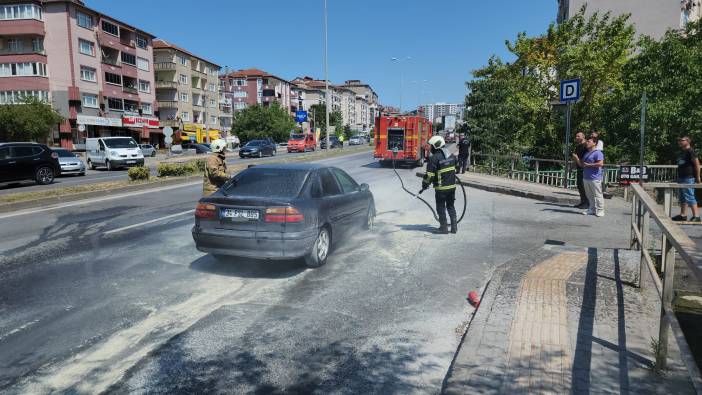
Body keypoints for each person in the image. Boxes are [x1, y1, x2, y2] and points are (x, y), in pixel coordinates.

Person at [421, 135, 458, 234]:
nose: (431, 148)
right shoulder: (451, 155)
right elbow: (456, 165)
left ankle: (444, 228)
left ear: (436, 146)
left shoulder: (434, 159)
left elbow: (429, 176)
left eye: (431, 146)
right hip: (452, 187)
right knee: (451, 206)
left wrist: (424, 185)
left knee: (440, 207)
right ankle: (454, 228)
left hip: (441, 189)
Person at [573, 137, 605, 217]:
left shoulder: (598, 153)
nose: (587, 143)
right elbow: (582, 165)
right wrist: (577, 159)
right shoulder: (587, 153)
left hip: (595, 178)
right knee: (589, 195)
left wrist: (589, 165)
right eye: (587, 141)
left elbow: (600, 164)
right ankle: (592, 209)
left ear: (594, 143)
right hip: (586, 177)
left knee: (598, 195)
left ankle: (600, 210)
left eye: (589, 141)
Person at [673, 136, 701, 222]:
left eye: (682, 140)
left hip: (689, 177)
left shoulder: (691, 151)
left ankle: (696, 216)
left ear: (688, 141)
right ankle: (683, 215)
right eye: (680, 140)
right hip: (681, 177)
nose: (680, 142)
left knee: (689, 195)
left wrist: (698, 177)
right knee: (682, 197)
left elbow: (697, 164)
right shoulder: (683, 152)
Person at [571, 132, 589, 209]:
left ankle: (587, 203)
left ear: (583, 137)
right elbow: (575, 158)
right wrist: (572, 166)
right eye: (576, 136)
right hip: (579, 167)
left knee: (584, 186)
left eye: (578, 136)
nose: (576, 137)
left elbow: (586, 158)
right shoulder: (578, 146)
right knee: (580, 185)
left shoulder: (586, 146)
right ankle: (582, 202)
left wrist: (577, 159)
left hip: (585, 168)